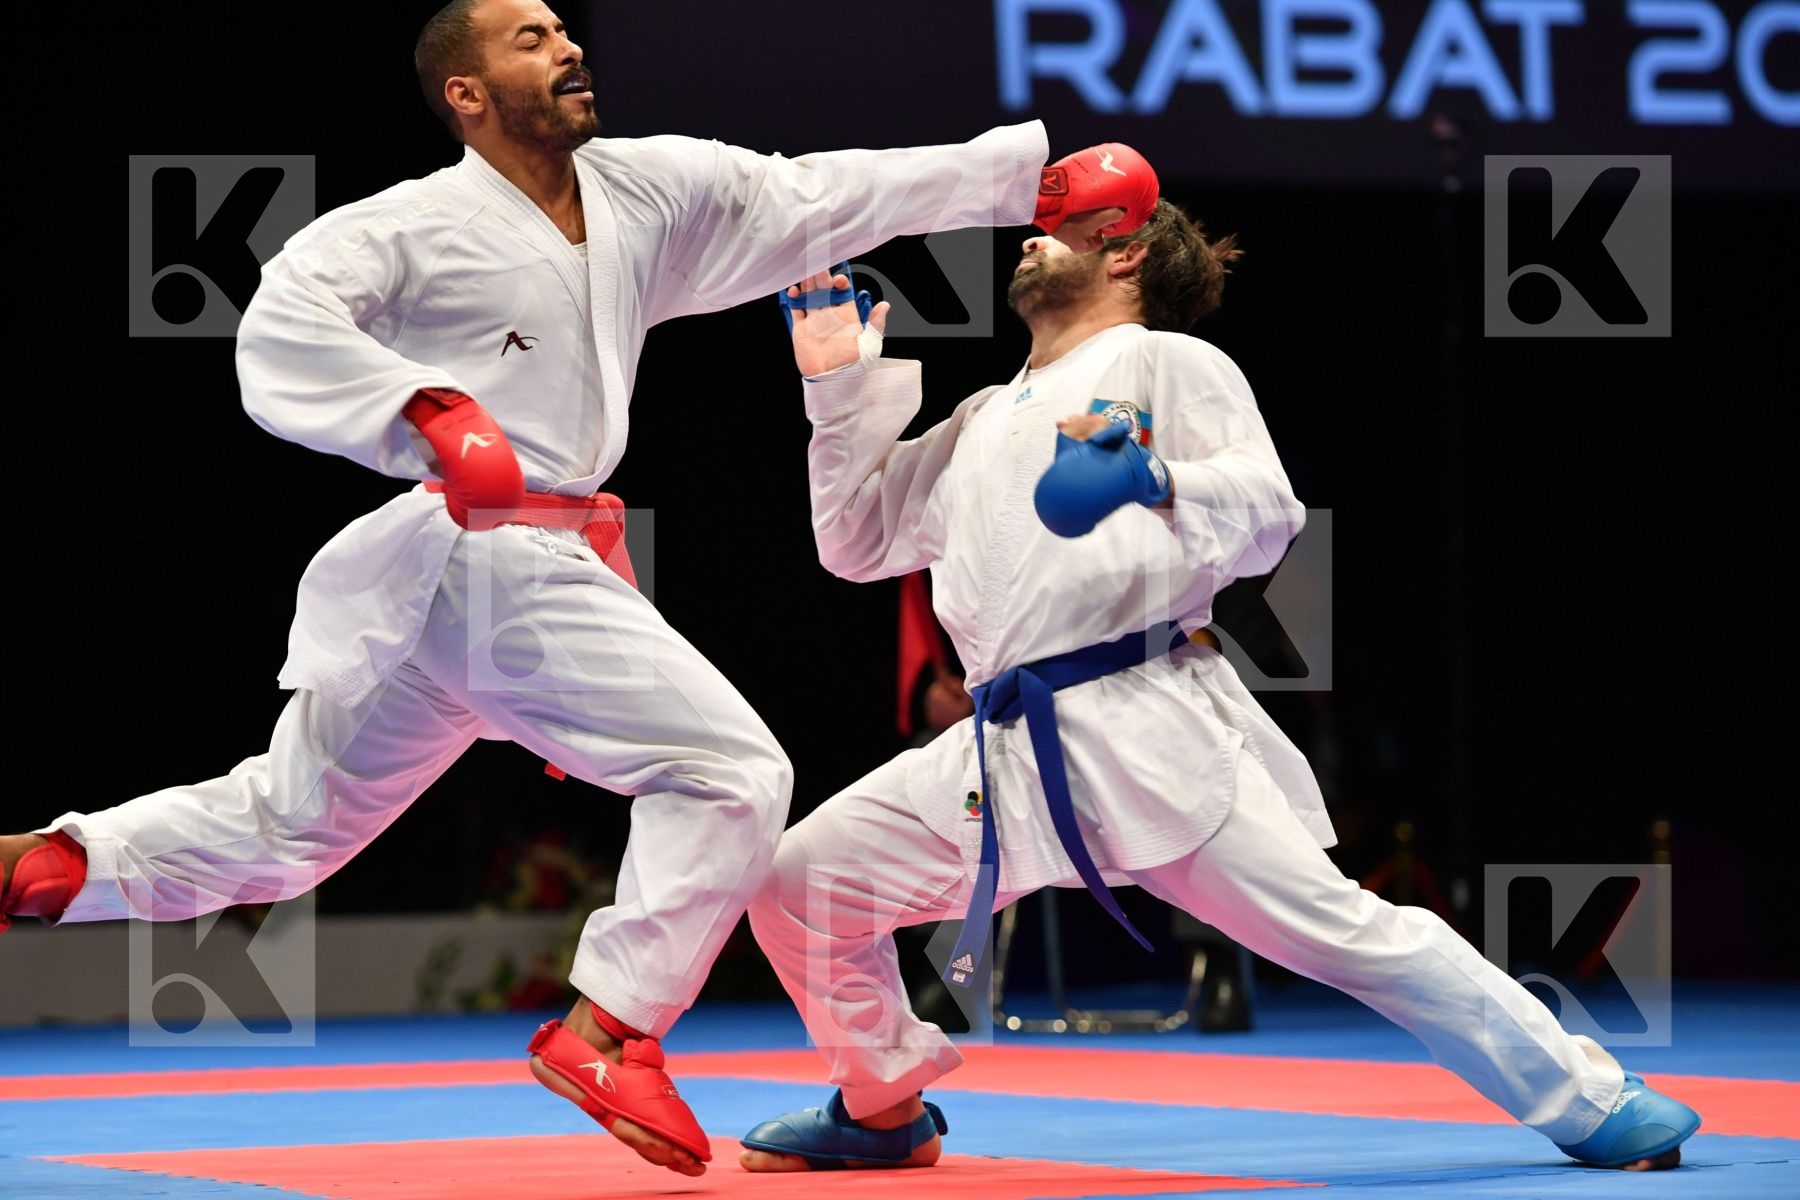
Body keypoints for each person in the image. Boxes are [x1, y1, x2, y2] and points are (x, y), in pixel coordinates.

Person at [0, 0, 1060, 1178]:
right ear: (464, 91)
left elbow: (815, 197)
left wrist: (1014, 180)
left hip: (485, 572)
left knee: (285, 830)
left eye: (565, 29)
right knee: (730, 772)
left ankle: (46, 868)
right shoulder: (412, 223)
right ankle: (609, 1030)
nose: (567, 47)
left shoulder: (641, 193)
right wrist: (430, 412)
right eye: (530, 38)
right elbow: (283, 326)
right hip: (478, 553)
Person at [735, 154, 1702, 1173]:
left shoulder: (1173, 366)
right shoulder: (982, 417)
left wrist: (1151, 475)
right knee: (800, 882)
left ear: (1130, 253)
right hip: (1004, 744)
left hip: (1146, 721)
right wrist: (838, 389)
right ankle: (881, 1101)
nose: (1027, 237)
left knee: (1350, 934)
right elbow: (854, 543)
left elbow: (1269, 513)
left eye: (1058, 226)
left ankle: (1590, 1098)